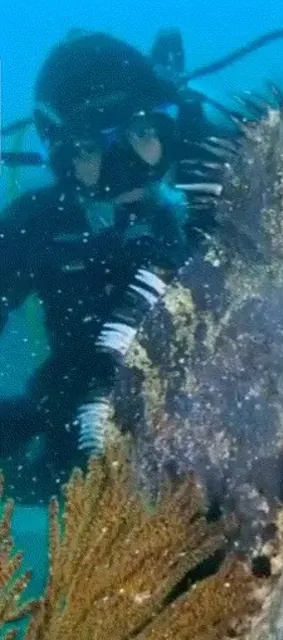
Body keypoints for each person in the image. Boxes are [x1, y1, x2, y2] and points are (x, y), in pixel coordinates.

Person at [0, 29, 219, 505]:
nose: (123, 163)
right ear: (60, 153)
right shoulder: (34, 226)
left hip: (223, 444)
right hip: (81, 454)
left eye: (141, 132)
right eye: (90, 147)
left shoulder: (214, 197)